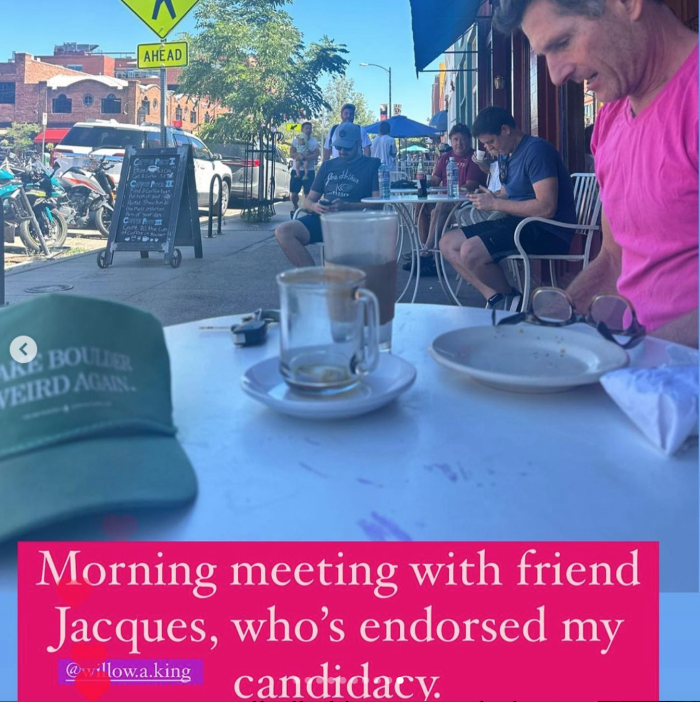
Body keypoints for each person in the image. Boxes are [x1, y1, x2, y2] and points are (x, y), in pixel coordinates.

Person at [495, 0, 698, 346]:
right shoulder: (609, 120)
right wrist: (558, 319)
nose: (556, 76)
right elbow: (614, 258)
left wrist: (627, 359)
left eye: (562, 43)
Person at [439, 107, 576, 309]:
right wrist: (488, 197)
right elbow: (507, 193)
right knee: (447, 242)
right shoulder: (505, 154)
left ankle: (512, 302)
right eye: (485, 144)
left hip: (548, 229)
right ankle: (501, 297)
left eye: (490, 142)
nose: (488, 148)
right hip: (517, 222)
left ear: (505, 130)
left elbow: (546, 207)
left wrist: (495, 203)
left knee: (470, 251)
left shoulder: (537, 151)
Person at [275, 123, 380, 267]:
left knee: (338, 267)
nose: (342, 151)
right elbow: (308, 201)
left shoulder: (371, 165)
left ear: (359, 144)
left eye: (347, 147)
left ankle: (336, 281)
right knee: (283, 231)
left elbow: (378, 203)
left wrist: (347, 207)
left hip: (354, 222)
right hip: (323, 219)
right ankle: (315, 279)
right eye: (338, 147)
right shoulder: (328, 166)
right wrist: (316, 206)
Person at [410, 123, 487, 275]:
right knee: (423, 206)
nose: (459, 143)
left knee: (438, 209)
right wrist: (424, 183)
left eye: (463, 139)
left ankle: (426, 252)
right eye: (456, 139)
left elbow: (470, 185)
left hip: (466, 203)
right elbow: (435, 180)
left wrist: (445, 193)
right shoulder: (445, 157)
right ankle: (427, 255)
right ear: (451, 141)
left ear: (469, 141)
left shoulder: (473, 158)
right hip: (446, 200)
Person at [289, 122, 320, 215]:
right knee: (294, 194)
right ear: (302, 129)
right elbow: (291, 154)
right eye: (306, 128)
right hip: (296, 170)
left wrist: (306, 158)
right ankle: (295, 206)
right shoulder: (295, 141)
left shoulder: (314, 142)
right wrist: (299, 156)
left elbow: (316, 155)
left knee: (308, 194)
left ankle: (307, 212)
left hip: (309, 171)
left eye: (310, 128)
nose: (309, 130)